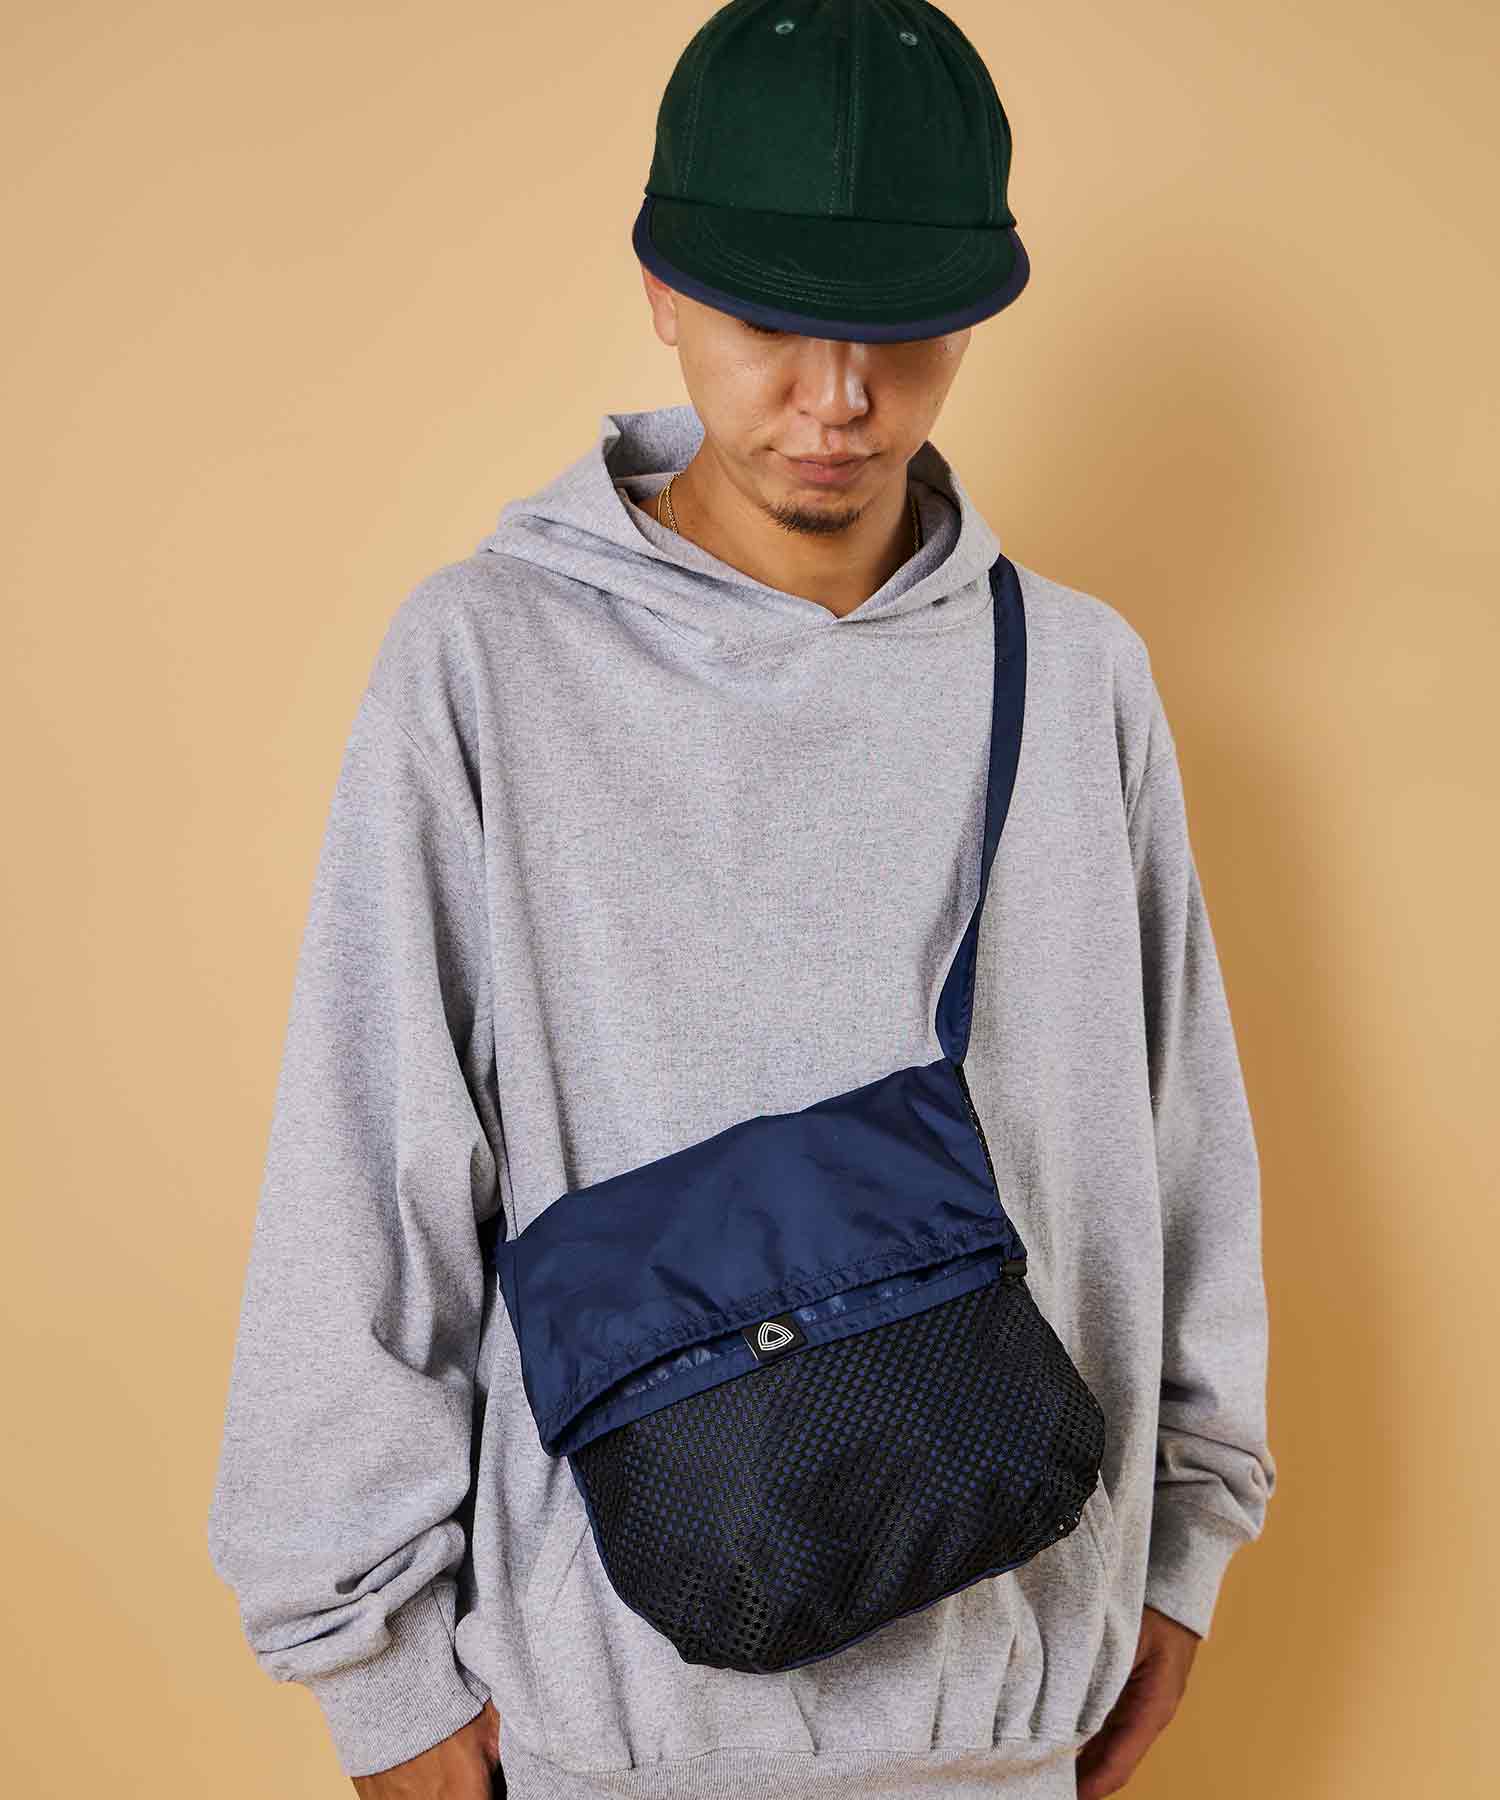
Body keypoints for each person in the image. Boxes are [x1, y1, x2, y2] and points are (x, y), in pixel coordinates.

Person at [206, 5, 1276, 1798]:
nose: (838, 399)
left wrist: (1186, 1542)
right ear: (662, 287)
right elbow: (370, 1157)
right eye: (773, 322)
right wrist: (375, 1675)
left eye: (901, 331)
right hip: (607, 1733)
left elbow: (1181, 1144)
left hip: (1012, 1716)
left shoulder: (1076, 674)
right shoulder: (489, 658)